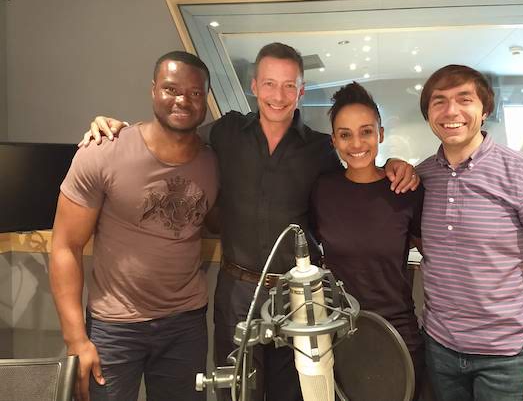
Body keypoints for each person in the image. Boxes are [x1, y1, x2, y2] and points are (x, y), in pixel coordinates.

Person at [79, 42, 419, 401]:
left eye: (289, 85)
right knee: (236, 391)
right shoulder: (226, 133)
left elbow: (358, 175)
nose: (278, 96)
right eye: (269, 84)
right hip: (236, 292)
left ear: (301, 91)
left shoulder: (320, 150)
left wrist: (393, 164)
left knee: (294, 391)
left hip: (296, 297)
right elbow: (174, 135)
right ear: (255, 86)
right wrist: (120, 129)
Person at [50, 51, 219, 401]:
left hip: (185, 325)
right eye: (171, 89)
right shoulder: (103, 151)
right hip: (114, 327)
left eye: (195, 93)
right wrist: (75, 339)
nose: (183, 100)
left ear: (206, 99)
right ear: (153, 89)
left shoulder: (213, 162)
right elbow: (65, 245)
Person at [416, 64, 523, 401]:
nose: (451, 111)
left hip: (507, 354)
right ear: (428, 114)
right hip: (440, 347)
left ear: (485, 109)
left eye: (465, 99)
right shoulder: (423, 177)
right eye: (439, 101)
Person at [310, 82, 425, 400]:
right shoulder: (322, 191)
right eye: (345, 134)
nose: (357, 143)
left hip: (398, 330)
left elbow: (434, 251)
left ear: (381, 134)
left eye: (366, 132)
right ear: (333, 140)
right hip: (340, 332)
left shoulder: (405, 190)